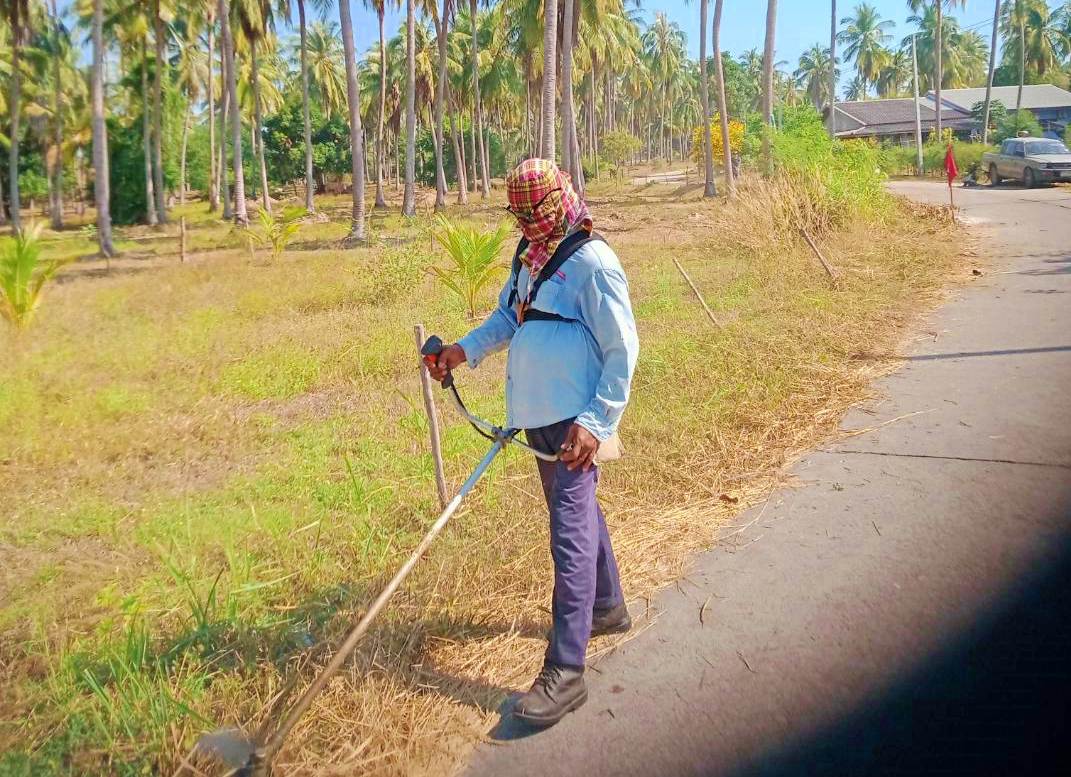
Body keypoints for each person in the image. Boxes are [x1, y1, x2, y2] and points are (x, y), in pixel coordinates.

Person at [428, 158, 640, 727]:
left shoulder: (593, 264)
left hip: (575, 421)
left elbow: (623, 348)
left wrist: (596, 422)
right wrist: (461, 351)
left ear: (559, 202)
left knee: (568, 533)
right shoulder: (529, 260)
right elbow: (507, 320)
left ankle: (566, 671)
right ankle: (607, 606)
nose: (527, 225)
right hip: (539, 418)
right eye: (518, 216)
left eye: (535, 213)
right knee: (578, 513)